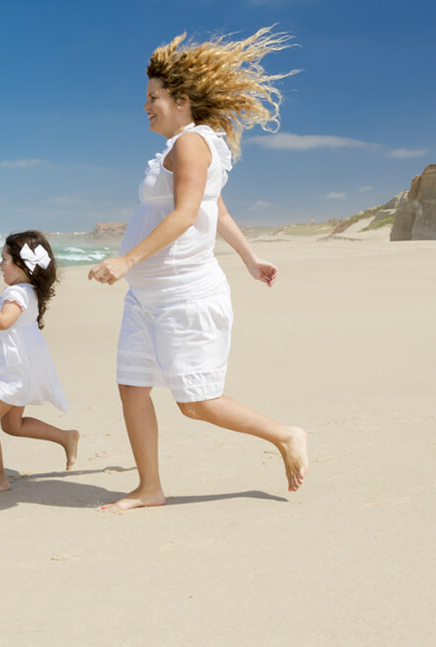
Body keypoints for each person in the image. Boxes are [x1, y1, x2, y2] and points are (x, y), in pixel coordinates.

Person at [88, 27, 309, 511]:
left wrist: (125, 260)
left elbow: (189, 213)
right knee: (132, 388)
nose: (145, 106)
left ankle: (285, 434)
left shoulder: (191, 145)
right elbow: (220, 210)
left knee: (196, 403)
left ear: (182, 100)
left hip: (183, 296)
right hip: (149, 297)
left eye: (154, 97)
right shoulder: (190, 144)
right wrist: (251, 259)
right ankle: (150, 487)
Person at [0, 230, 79, 496]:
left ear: (21, 264)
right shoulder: (25, 291)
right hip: (25, 364)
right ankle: (66, 436)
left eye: (4, 259)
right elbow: (13, 320)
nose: (0, 265)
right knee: (12, 425)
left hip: (14, 369)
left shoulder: (15, 292)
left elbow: (4, 322)